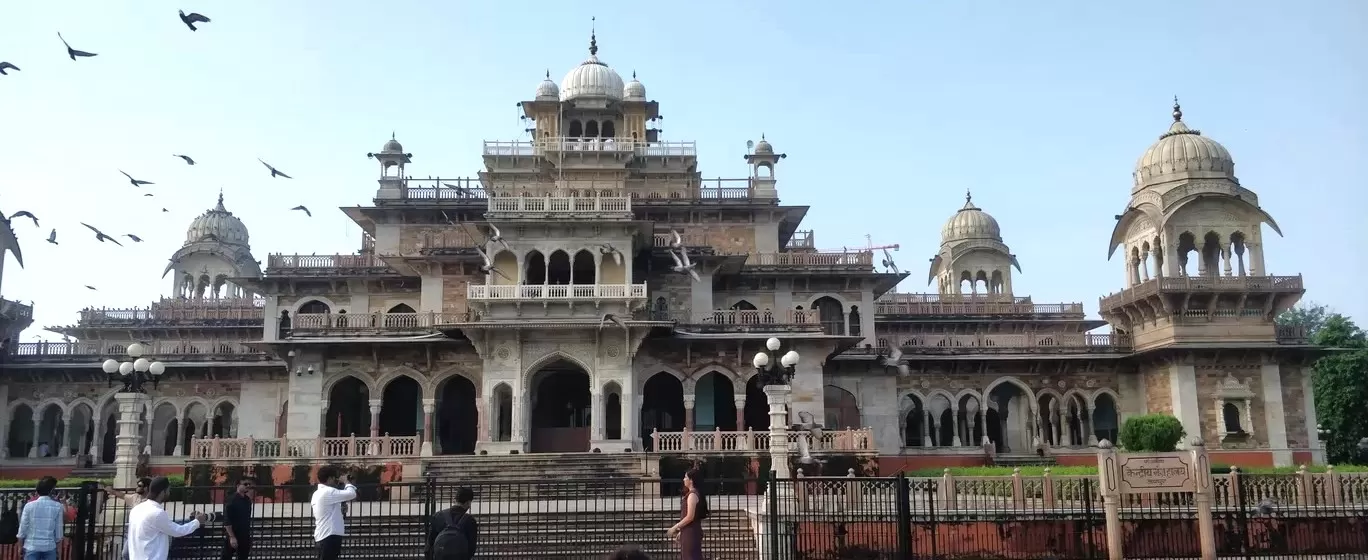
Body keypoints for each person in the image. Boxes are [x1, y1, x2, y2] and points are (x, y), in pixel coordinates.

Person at [127, 476, 206, 560]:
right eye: (168, 490)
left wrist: (191, 520)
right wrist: (197, 522)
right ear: (162, 492)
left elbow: (167, 525)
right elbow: (178, 531)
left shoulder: (136, 509)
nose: (169, 493)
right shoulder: (157, 513)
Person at [310, 466, 357, 560]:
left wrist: (340, 510)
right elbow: (351, 494)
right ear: (330, 478)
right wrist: (347, 482)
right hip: (329, 536)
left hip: (324, 535)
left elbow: (328, 512)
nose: (336, 480)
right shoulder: (329, 492)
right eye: (334, 477)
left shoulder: (317, 493)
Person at [17, 476, 64, 560]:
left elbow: (23, 528)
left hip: (31, 545)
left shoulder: (29, 506)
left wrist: (20, 546)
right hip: (49, 546)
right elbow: (58, 531)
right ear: (52, 491)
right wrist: (59, 549)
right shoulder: (58, 506)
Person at [666, 468, 708, 560]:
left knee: (691, 557)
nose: (684, 479)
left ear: (691, 480)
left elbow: (690, 517)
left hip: (691, 532)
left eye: (685, 477)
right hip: (689, 531)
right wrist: (682, 531)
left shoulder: (692, 495)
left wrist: (675, 527)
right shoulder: (692, 493)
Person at [427, 487, 478, 560]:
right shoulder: (470, 520)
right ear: (468, 502)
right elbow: (471, 549)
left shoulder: (438, 516)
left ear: (455, 500)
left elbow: (429, 545)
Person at [221, 477, 255, 560]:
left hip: (244, 535)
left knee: (243, 557)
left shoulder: (247, 500)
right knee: (226, 556)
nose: (248, 486)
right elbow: (227, 519)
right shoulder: (231, 500)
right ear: (238, 485)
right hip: (233, 533)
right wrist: (232, 537)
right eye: (245, 484)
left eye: (249, 484)